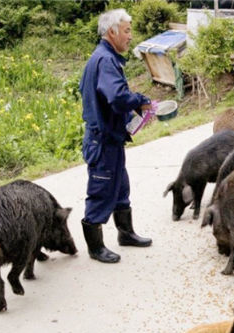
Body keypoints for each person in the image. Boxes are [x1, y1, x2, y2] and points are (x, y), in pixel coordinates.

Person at [79, 9, 152, 263]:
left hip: (112, 139)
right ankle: (95, 248)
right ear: (112, 32)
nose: (130, 36)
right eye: (127, 30)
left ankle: (126, 233)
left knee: (120, 187)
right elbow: (118, 97)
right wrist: (141, 101)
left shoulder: (103, 58)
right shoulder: (105, 60)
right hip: (103, 141)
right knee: (101, 190)